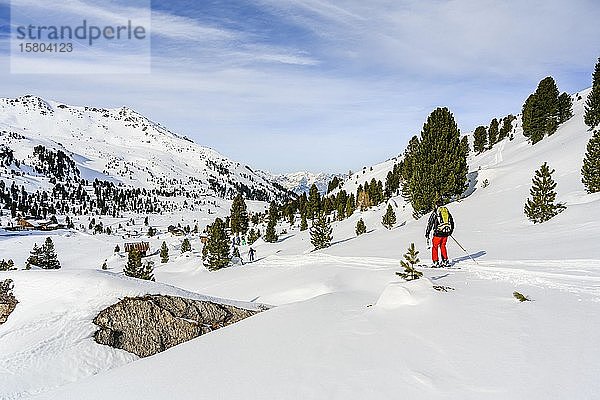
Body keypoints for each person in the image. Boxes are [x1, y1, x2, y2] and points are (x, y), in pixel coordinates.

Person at [425, 200, 455, 267]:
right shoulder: (446, 212)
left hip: (438, 233)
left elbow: (430, 223)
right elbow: (452, 222)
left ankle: (435, 261)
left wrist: (427, 233)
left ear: (436, 205)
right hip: (446, 233)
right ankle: (445, 261)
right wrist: (450, 231)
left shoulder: (435, 213)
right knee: (443, 246)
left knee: (435, 247)